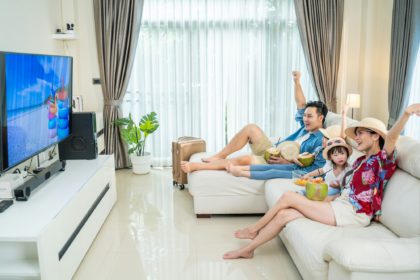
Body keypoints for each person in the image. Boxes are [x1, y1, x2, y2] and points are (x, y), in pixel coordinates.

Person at [222, 103, 420, 260]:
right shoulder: (361, 160)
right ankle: (249, 250)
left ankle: (253, 230)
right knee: (284, 214)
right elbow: (348, 180)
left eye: (361, 134)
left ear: (376, 136)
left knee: (288, 196)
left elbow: (393, 137)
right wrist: (333, 190)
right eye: (356, 134)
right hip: (341, 203)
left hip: (354, 214)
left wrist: (406, 113)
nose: (356, 138)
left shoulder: (382, 160)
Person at [181, 71, 328, 175]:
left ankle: (197, 166)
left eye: (309, 116)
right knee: (251, 128)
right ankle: (219, 155)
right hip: (272, 150)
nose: (305, 119)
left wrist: (287, 163)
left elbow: (316, 167)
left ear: (320, 118)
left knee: (244, 159)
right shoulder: (305, 127)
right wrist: (297, 81)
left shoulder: (321, 140)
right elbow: (301, 102)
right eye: (305, 116)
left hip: (277, 161)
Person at [225, 103, 350, 180]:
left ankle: (240, 173)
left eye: (326, 138)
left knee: (273, 171)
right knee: (270, 167)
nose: (323, 139)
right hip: (297, 167)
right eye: (324, 136)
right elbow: (305, 158)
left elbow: (342, 138)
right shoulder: (319, 149)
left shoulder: (330, 154)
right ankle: (241, 169)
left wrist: (344, 115)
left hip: (302, 173)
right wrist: (293, 160)